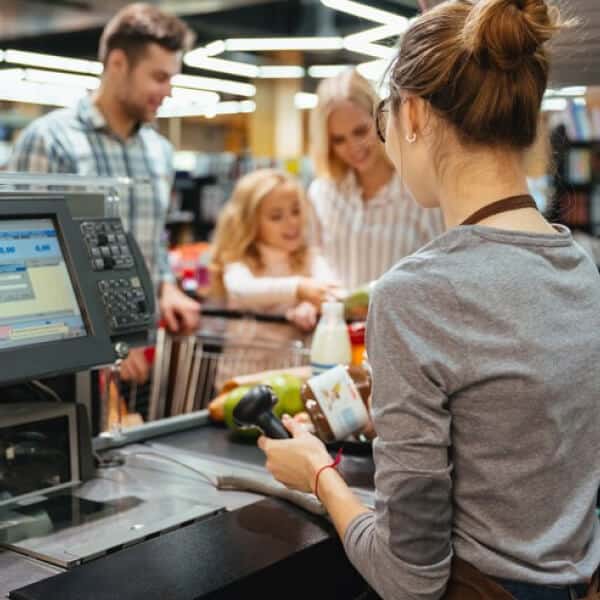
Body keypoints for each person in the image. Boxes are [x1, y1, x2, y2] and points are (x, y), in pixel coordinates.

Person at [259, 1, 600, 599]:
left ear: (412, 113)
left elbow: (407, 577)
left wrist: (317, 474)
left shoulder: (414, 296)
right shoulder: (582, 266)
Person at [8, 3, 201, 383]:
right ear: (117, 63)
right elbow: (31, 256)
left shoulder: (158, 152)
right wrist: (105, 341)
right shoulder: (51, 140)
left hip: (142, 351)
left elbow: (151, 240)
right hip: (66, 360)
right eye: (159, 77)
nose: (168, 91)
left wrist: (166, 287)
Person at [308, 69, 444, 291]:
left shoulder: (421, 191)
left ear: (382, 119)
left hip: (402, 322)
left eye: (361, 131)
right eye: (338, 140)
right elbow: (312, 254)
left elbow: (442, 267)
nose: (353, 147)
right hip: (336, 323)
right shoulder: (321, 193)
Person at [210, 169, 338, 331]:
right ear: (250, 222)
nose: (292, 222)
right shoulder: (239, 259)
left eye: (296, 211)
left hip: (295, 356)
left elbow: (332, 291)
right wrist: (298, 288)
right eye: (276, 216)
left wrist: (311, 305)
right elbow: (241, 289)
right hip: (242, 356)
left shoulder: (310, 258)